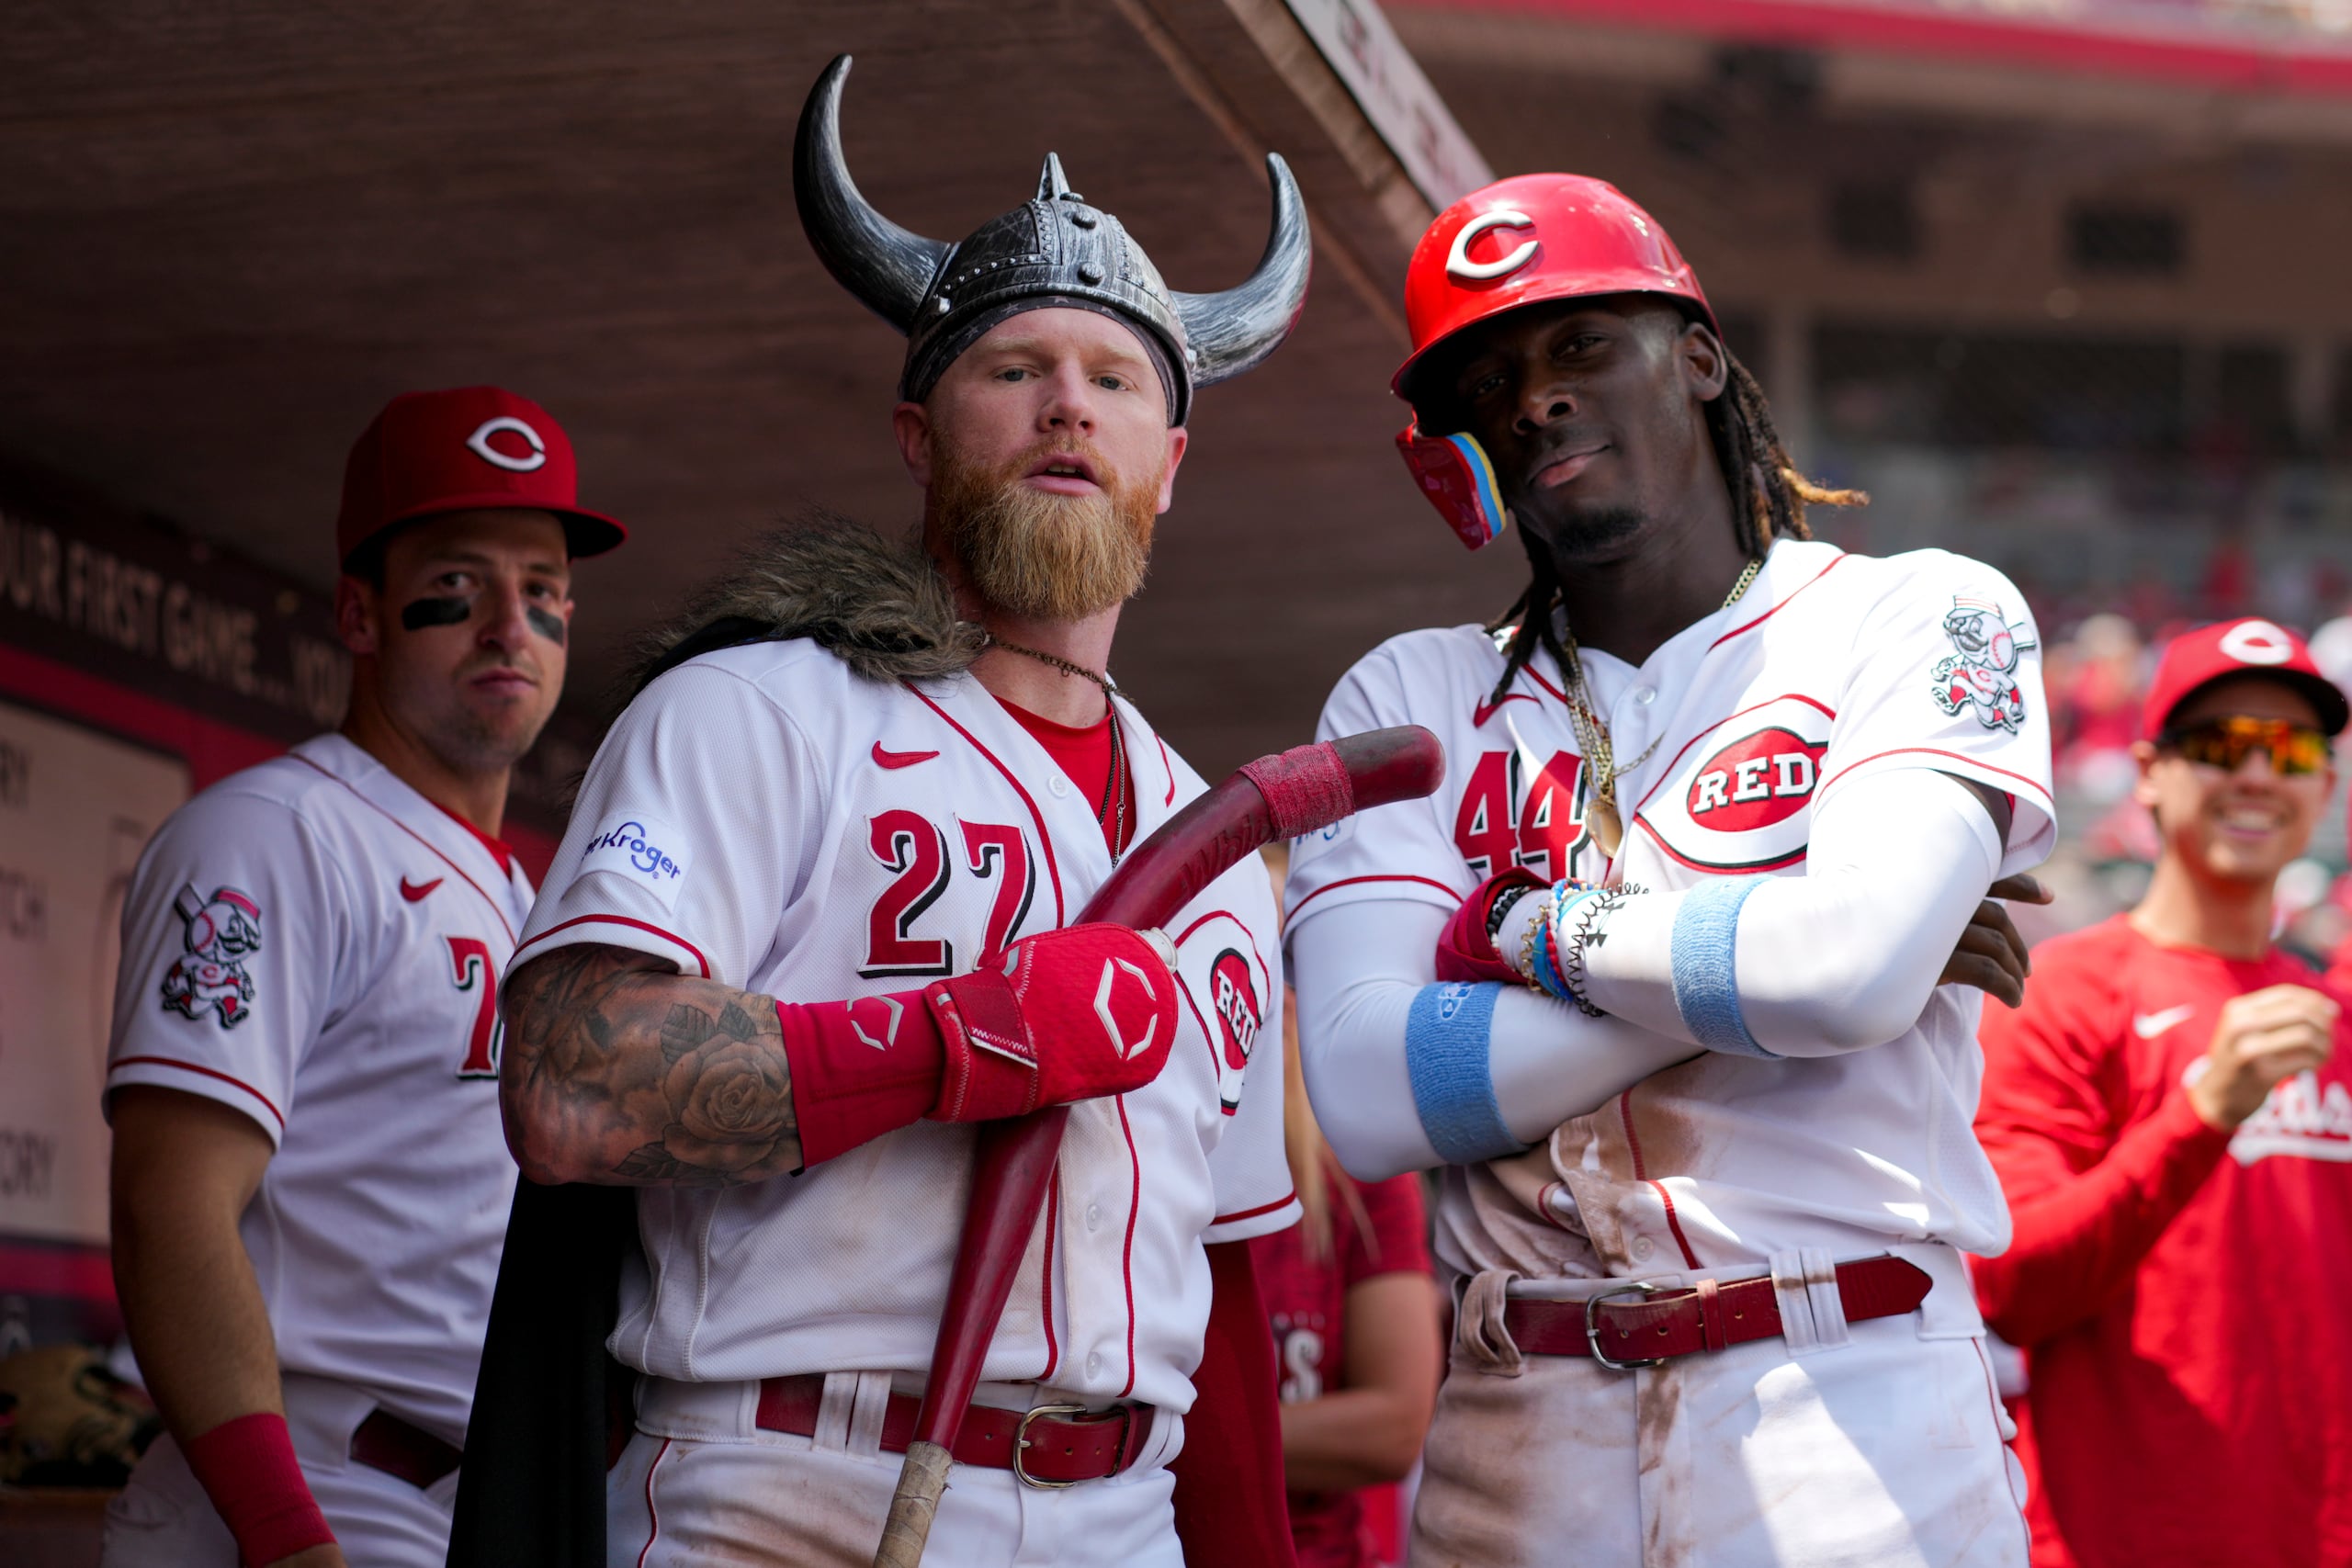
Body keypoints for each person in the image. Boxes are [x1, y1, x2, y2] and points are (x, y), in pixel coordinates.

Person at [471, 54, 1312, 1567]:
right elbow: (569, 1082)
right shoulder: (759, 709)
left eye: (1117, 379)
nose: (1069, 404)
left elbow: (1230, 1288)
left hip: (1125, 1511)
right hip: (788, 1491)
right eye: (1015, 368)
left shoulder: (1218, 837)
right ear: (919, 435)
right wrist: (961, 1040)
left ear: (1169, 465)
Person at [1283, 174, 2056, 1566]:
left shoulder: (1923, 612)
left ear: (1698, 358)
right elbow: (1375, 1094)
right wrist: (1786, 950)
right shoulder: (1409, 695)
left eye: (1581, 344)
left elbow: (1847, 973)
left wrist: (1526, 930)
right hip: (1521, 1423)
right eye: (1488, 382)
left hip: (1854, 1407)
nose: (1536, 399)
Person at [99, 385, 624, 1568]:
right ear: (359, 613)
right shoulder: (275, 835)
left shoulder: (521, 894)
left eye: (542, 589)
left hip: (472, 1502)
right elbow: (171, 1204)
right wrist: (284, 1535)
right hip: (316, 1490)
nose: (510, 626)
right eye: (460, 582)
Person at [1973, 616, 2352, 1568]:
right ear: (2149, 771)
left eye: (2291, 749)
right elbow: (2011, 1286)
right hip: (2126, 1536)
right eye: (2221, 745)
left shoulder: (2336, 1012)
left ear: (2325, 784)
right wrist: (2201, 1114)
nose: (2256, 774)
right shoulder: (2062, 992)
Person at [1250, 976, 1442, 1568]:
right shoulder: (1134, 1174)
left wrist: (1153, 1440)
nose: (1276, 997)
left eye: (1288, 967)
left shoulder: (1359, 1178)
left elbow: (1395, 1427)